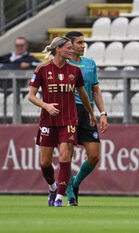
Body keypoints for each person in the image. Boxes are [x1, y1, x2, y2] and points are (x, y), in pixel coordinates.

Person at [28, 37, 97, 207]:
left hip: (69, 120)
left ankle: (59, 198)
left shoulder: (75, 71)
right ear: (58, 49)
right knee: (45, 163)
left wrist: (91, 113)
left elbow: (82, 94)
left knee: (66, 158)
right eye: (68, 48)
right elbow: (31, 95)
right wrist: (46, 105)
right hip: (48, 121)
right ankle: (53, 187)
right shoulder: (42, 69)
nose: (71, 50)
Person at [64, 31, 108, 206]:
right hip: (67, 111)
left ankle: (74, 184)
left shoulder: (90, 64)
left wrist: (102, 113)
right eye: (79, 43)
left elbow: (95, 90)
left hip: (87, 111)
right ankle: (70, 196)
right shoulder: (62, 64)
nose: (83, 46)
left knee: (94, 155)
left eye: (84, 42)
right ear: (70, 45)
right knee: (67, 154)